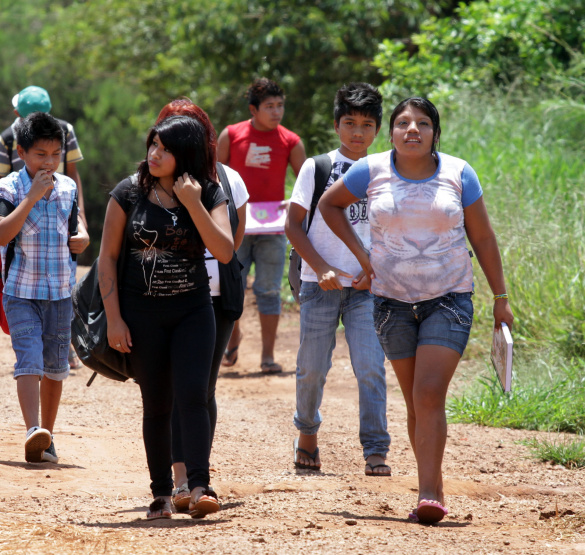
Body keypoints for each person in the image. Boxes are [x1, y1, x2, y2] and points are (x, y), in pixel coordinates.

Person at [319, 97, 514, 524]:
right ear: (390, 132)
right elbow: (328, 206)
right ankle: (432, 483)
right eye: (403, 123)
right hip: (390, 302)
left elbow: (482, 238)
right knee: (414, 401)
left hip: (449, 298)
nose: (413, 130)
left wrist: (501, 298)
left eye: (423, 124)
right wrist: (362, 257)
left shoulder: (458, 173)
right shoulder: (370, 170)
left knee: (428, 393)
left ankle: (429, 492)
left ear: (434, 133)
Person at [98, 116, 233, 520]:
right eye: (153, 145)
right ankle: (160, 494)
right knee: (157, 405)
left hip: (193, 310)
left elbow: (224, 252)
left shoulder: (209, 192)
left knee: (193, 395)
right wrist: (114, 319)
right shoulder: (128, 192)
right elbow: (106, 257)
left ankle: (199, 486)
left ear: (186, 155)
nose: (155, 154)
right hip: (142, 315)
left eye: (166, 148)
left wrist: (192, 202)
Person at [286, 83, 390, 475]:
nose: (357, 132)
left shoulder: (386, 170)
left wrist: (377, 271)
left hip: (369, 289)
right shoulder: (318, 167)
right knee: (312, 366)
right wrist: (322, 267)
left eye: (366, 124)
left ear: (378, 129)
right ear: (336, 125)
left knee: (370, 367)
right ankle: (307, 434)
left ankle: (376, 449)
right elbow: (294, 226)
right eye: (350, 123)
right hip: (319, 284)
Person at [154, 99, 249, 512]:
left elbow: (233, 241)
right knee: (175, 390)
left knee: (200, 389)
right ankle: (181, 481)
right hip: (167, 298)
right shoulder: (151, 181)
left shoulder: (228, 181)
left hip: (216, 298)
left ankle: (197, 479)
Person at [0, 111, 90, 464]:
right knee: (29, 360)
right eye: (40, 155)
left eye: (55, 155)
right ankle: (32, 429)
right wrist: (31, 197)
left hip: (61, 294)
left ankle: (47, 437)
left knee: (55, 368)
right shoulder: (8, 188)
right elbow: (2, 233)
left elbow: (77, 226)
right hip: (21, 292)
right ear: (21, 151)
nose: (49, 162)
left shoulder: (68, 187)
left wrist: (83, 237)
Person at [0, 85, 87, 369]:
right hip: (20, 207)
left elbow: (69, 178)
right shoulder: (61, 128)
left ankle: (59, 345)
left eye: (54, 153)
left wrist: (78, 219)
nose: (49, 159)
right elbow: (74, 172)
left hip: (51, 203)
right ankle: (40, 345)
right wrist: (11, 205)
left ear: (17, 111)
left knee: (59, 274)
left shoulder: (7, 135)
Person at [217, 77, 306, 374]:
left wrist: (293, 205)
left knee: (268, 291)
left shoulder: (290, 141)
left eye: (280, 105)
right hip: (235, 229)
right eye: (269, 106)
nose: (277, 111)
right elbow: (214, 178)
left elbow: (307, 184)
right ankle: (233, 336)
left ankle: (268, 356)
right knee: (232, 288)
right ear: (253, 110)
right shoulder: (231, 135)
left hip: (272, 231)